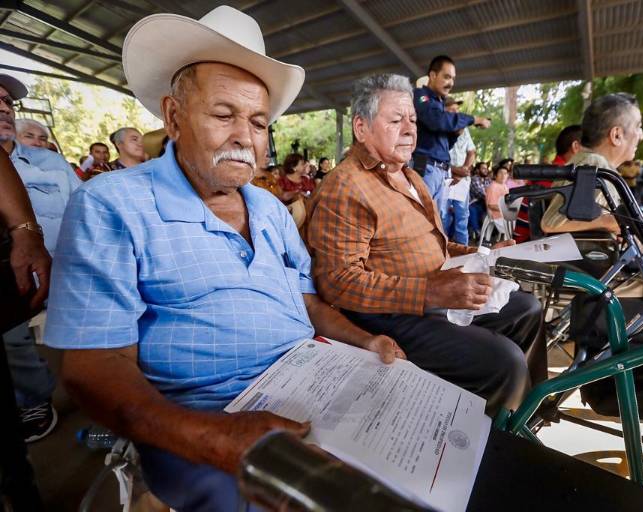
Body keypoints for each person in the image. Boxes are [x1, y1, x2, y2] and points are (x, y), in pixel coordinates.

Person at [43, 7, 406, 511]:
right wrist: (215, 436)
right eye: (223, 114)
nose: (246, 136)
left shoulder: (271, 210)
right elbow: (93, 365)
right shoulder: (111, 204)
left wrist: (365, 340)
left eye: (259, 122)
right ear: (173, 117)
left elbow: (306, 301)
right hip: (201, 420)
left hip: (313, 389)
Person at [306, 73, 546, 416]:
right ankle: (489, 447)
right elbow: (336, 282)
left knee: (527, 308)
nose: (410, 129)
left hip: (435, 292)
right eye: (395, 120)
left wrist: (486, 254)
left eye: (413, 120)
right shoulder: (345, 186)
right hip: (389, 315)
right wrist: (430, 292)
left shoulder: (410, 176)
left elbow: (438, 246)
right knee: (503, 361)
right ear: (361, 128)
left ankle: (526, 414)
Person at [0, 75, 73, 442]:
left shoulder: (52, 164)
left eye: (8, 102)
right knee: (9, 332)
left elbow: (90, 211)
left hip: (68, 274)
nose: (3, 107)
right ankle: (34, 398)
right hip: (11, 285)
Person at [542, 93, 643, 235]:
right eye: (638, 127)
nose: (641, 135)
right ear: (616, 135)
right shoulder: (593, 165)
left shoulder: (593, 164)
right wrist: (609, 222)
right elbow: (551, 223)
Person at [411, 55, 490, 218]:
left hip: (441, 170)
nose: (451, 83)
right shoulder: (420, 95)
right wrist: (473, 119)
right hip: (424, 167)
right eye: (446, 77)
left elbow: (443, 145)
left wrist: (454, 135)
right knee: (421, 218)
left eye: (453, 78)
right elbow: (436, 121)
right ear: (433, 75)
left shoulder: (438, 103)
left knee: (439, 220)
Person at [443, 96, 475, 245]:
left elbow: (471, 152)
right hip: (445, 179)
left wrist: (465, 170)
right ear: (444, 110)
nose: (456, 111)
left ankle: (464, 255)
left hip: (462, 181)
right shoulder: (439, 127)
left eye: (457, 109)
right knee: (443, 218)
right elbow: (436, 155)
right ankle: (441, 256)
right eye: (452, 109)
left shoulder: (464, 129)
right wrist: (454, 171)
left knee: (462, 220)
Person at [485, 165, 511, 237]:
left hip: (505, 215)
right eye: (500, 173)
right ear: (495, 175)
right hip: (497, 216)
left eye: (505, 173)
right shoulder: (493, 187)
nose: (503, 175)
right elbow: (491, 206)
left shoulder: (504, 186)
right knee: (517, 228)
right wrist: (508, 209)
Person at [468, 161, 491, 240]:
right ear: (477, 170)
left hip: (485, 202)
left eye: (486, 168)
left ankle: (484, 233)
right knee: (473, 209)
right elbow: (480, 193)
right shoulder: (474, 179)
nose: (486, 170)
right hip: (475, 202)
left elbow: (490, 192)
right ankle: (478, 232)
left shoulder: (488, 180)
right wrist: (488, 195)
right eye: (483, 168)